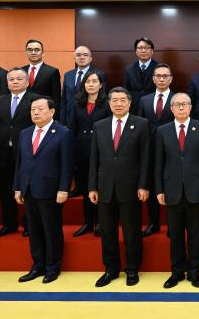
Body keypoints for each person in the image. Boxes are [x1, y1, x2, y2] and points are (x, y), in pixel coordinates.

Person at [88, 87, 151, 287]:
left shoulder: (141, 124)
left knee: (132, 232)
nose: (118, 103)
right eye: (114, 100)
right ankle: (111, 269)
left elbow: (145, 159)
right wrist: (92, 187)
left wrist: (143, 185)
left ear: (130, 103)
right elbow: (94, 159)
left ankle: (132, 270)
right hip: (105, 187)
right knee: (107, 232)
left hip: (131, 188)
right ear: (109, 103)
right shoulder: (100, 125)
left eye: (122, 100)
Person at [154, 94, 199, 288]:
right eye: (177, 105)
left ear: (190, 107)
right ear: (171, 108)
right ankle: (177, 271)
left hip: (196, 189)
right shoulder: (162, 131)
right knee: (176, 234)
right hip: (171, 190)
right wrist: (159, 189)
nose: (181, 107)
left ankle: (195, 271)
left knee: (196, 233)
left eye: (185, 104)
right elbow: (158, 163)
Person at [13, 97, 74, 284]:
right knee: (34, 230)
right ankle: (37, 265)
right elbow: (19, 163)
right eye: (33, 110)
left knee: (51, 230)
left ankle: (52, 267)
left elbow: (67, 165)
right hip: (29, 189)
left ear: (52, 111)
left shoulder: (63, 133)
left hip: (50, 189)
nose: (36, 113)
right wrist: (17, 187)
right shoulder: (25, 133)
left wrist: (63, 189)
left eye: (40, 109)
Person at [0, 69, 40, 238]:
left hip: (28, 153)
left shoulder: (35, 100)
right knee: (5, 190)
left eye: (19, 79)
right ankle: (9, 224)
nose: (15, 81)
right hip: (4, 153)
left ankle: (29, 224)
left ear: (27, 82)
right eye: (11, 79)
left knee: (29, 190)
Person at [65, 72, 110, 237]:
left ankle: (100, 222)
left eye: (94, 81)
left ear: (100, 85)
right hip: (82, 151)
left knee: (100, 189)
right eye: (87, 81)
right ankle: (87, 222)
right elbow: (72, 128)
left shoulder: (107, 104)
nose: (90, 84)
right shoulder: (77, 104)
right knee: (85, 189)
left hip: (102, 151)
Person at [136, 62, 176, 235]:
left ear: (171, 79)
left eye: (165, 76)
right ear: (153, 79)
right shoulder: (144, 100)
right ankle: (154, 223)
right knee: (153, 186)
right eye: (158, 76)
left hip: (173, 148)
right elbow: (139, 125)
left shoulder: (178, 99)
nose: (161, 79)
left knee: (171, 185)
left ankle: (172, 225)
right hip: (149, 149)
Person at [61, 45, 105, 121]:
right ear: (74, 58)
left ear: (90, 59)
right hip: (69, 117)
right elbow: (64, 100)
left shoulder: (99, 74)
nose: (82, 57)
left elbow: (103, 97)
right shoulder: (68, 75)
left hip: (89, 117)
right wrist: (62, 120)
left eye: (85, 55)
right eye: (78, 55)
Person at [22, 39, 62, 105]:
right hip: (23, 112)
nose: (33, 52)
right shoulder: (21, 71)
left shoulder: (52, 72)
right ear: (26, 52)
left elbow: (56, 98)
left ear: (43, 53)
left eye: (37, 50)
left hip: (43, 111)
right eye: (29, 50)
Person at [123, 37, 156, 106]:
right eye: (140, 48)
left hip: (152, 105)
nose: (143, 51)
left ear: (152, 51)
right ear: (136, 51)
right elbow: (126, 91)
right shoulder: (129, 69)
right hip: (134, 105)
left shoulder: (159, 68)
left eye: (147, 48)